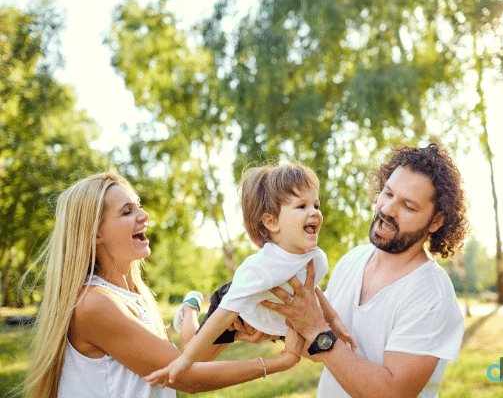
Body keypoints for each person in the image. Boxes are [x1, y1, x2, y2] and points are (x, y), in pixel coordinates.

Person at [22, 172, 304, 398]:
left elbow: (180, 363)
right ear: (95, 233)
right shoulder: (94, 303)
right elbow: (183, 378)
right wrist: (281, 362)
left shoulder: (134, 295)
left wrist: (230, 334)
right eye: (126, 212)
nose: (143, 216)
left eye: (139, 206)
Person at [262, 143, 469, 398]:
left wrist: (317, 331)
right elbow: (322, 352)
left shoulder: (432, 297)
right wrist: (270, 326)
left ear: (436, 221)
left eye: (408, 206)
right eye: (388, 193)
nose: (387, 209)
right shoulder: (353, 260)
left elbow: (391, 393)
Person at [145, 163, 356, 387]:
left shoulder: (316, 257)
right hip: (238, 309)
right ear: (271, 222)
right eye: (302, 206)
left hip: (274, 312)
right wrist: (184, 360)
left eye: (316, 204)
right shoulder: (259, 269)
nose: (314, 211)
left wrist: (335, 322)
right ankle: (189, 308)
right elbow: (226, 314)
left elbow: (312, 290)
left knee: (319, 354)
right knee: (196, 360)